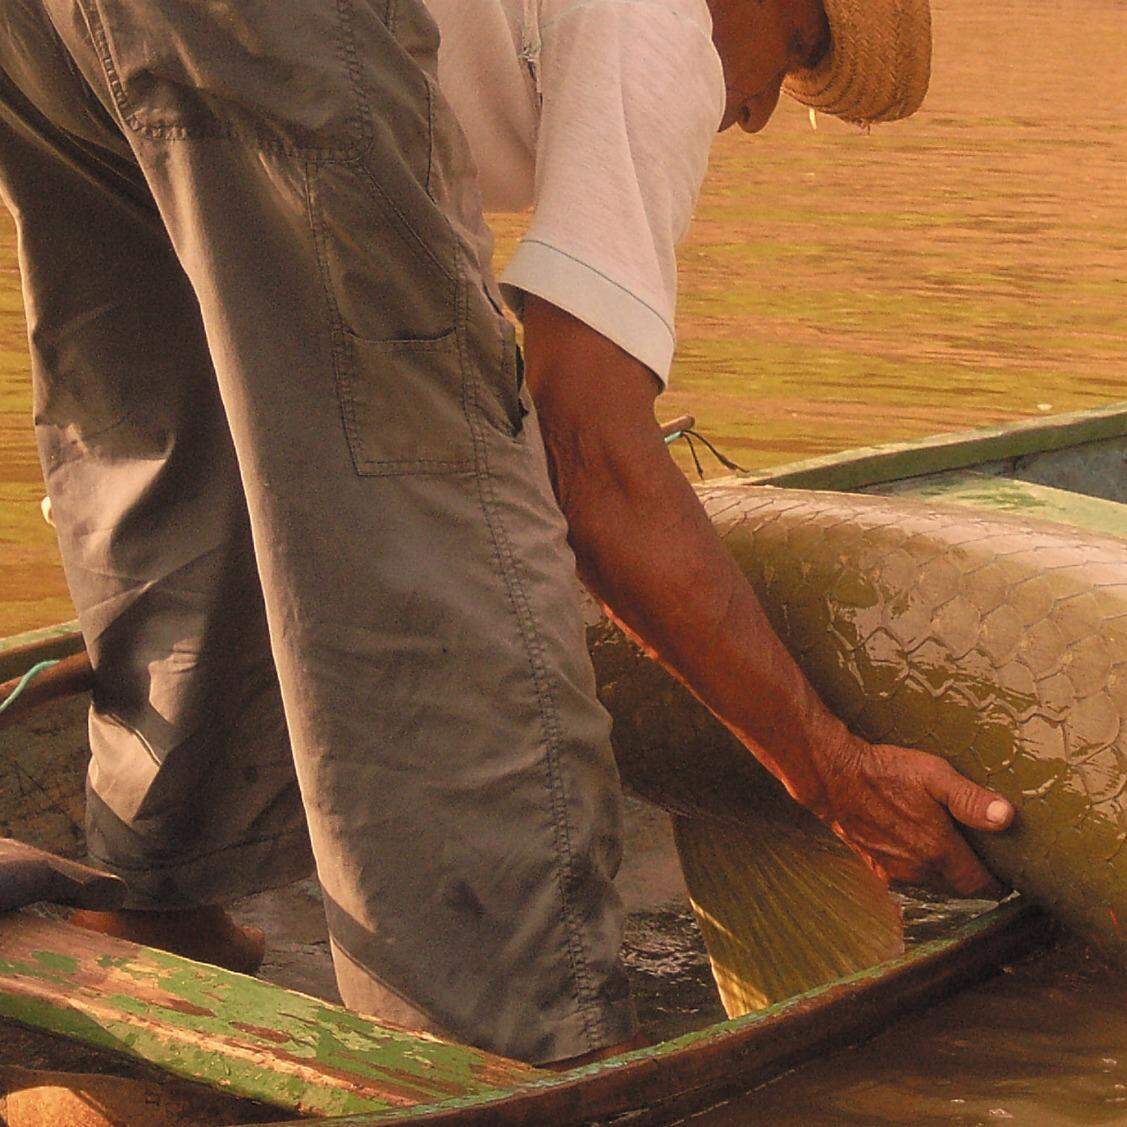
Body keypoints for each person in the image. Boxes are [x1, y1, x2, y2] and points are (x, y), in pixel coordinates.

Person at [0, 0, 1013, 1067]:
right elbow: (592, 457)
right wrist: (833, 772)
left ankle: (160, 894)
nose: (759, 113)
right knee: (433, 520)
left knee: (167, 429)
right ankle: (507, 1039)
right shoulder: (663, 22)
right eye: (799, 52)